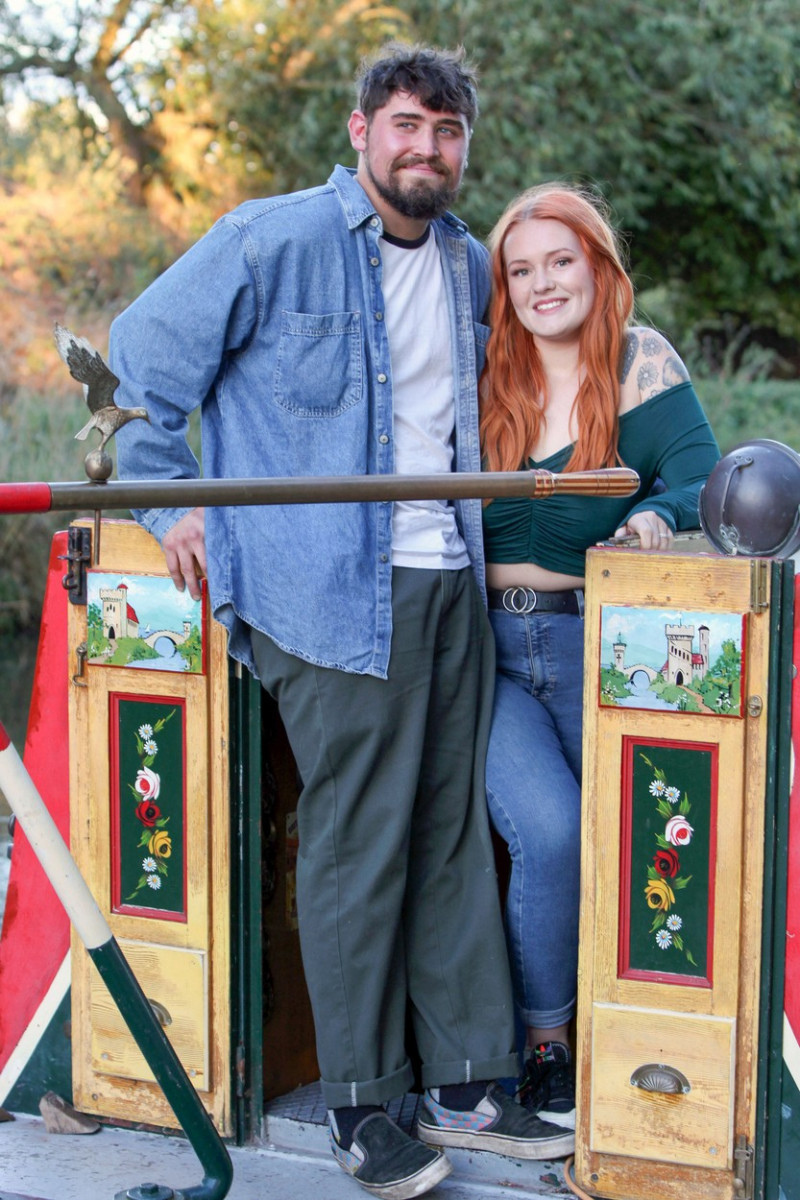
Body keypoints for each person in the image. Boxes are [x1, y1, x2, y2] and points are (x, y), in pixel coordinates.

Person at [110, 44, 575, 1200]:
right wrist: (175, 505)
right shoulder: (269, 240)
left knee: (450, 829)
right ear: (362, 128)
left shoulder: (469, 264)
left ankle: (470, 1080)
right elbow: (137, 369)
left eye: (447, 130)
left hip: (447, 582)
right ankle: (364, 1106)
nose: (427, 147)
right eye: (407, 124)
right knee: (358, 841)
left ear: (465, 145)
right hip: (326, 591)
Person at [479, 183, 720, 1131]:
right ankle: (546, 1048)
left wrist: (659, 513)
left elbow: (702, 477)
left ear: (597, 264)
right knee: (551, 831)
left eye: (560, 261)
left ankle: (653, 1048)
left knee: (640, 840)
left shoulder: (638, 360)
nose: (543, 284)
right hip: (483, 652)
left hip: (597, 642)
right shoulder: (482, 366)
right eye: (522, 268)